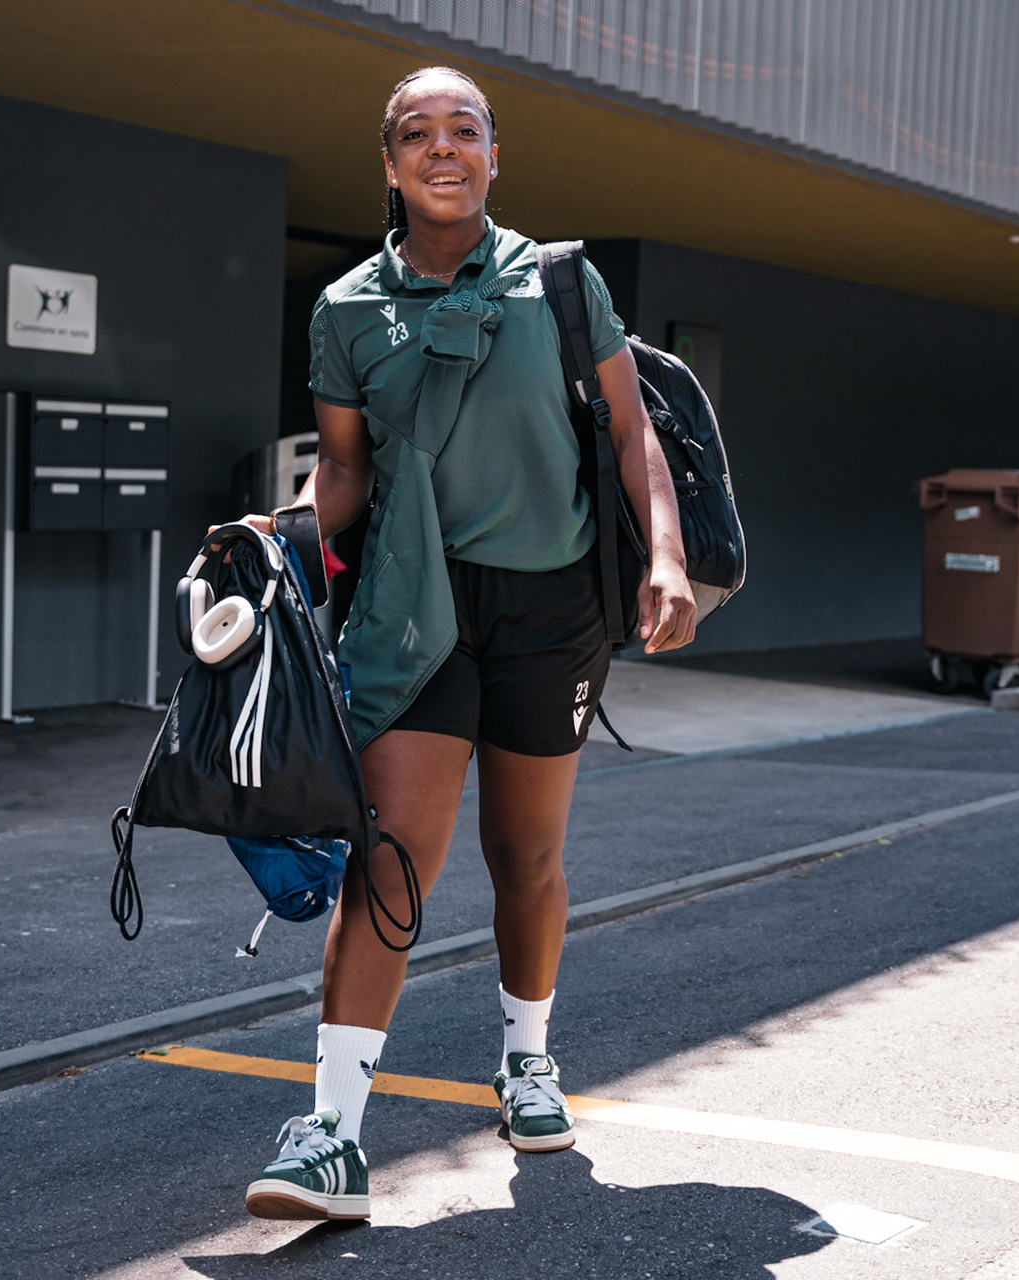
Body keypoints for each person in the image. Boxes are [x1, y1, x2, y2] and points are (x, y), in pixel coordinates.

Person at [238, 65, 697, 1221]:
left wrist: (667, 556)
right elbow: (344, 470)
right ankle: (332, 1130)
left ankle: (527, 1058)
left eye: (465, 130)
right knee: (390, 851)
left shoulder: (561, 279)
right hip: (414, 608)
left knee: (526, 855)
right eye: (416, 134)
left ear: (496, 154)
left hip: (553, 612)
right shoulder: (346, 308)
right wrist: (278, 526)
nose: (443, 148)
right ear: (388, 165)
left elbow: (635, 430)